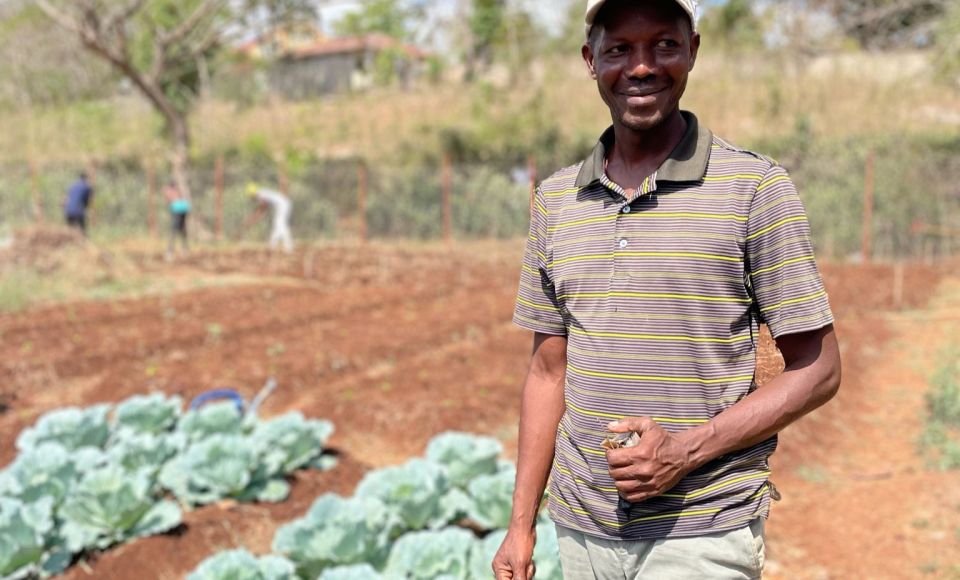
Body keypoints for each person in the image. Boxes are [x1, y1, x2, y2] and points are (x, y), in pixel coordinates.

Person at [493, 1, 841, 578]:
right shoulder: (555, 201)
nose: (642, 67)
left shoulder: (755, 189)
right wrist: (520, 526)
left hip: (702, 530)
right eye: (619, 49)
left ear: (693, 52)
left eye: (664, 45)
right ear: (591, 59)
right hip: (580, 531)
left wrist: (685, 451)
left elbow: (820, 370)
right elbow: (547, 373)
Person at [245, 183, 293, 253]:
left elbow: (263, 209)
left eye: (251, 196)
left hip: (282, 205)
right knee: (278, 224)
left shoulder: (260, 195)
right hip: (283, 204)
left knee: (280, 224)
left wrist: (252, 219)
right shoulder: (261, 193)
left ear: (252, 193)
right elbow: (262, 209)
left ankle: (288, 247)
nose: (251, 198)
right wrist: (253, 218)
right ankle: (272, 245)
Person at [164, 181, 190, 258]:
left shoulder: (169, 191)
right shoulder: (177, 191)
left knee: (174, 231)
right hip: (183, 208)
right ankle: (184, 250)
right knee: (182, 230)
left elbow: (169, 200)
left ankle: (170, 251)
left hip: (178, 209)